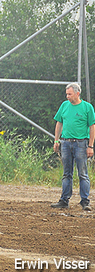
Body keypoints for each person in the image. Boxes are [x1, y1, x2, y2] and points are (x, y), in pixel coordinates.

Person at [51, 82, 95, 211]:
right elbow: (59, 123)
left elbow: (92, 127)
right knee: (66, 174)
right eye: (66, 94)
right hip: (65, 143)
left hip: (81, 143)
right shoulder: (64, 105)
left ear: (77, 93)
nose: (67, 97)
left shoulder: (87, 107)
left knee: (82, 173)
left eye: (69, 94)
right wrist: (56, 141)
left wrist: (90, 146)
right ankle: (64, 200)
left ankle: (85, 201)